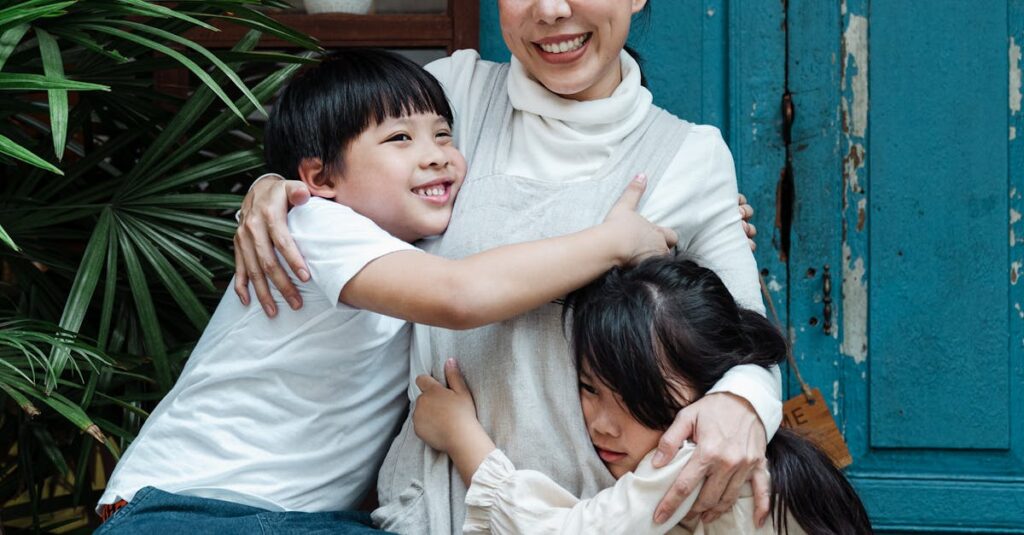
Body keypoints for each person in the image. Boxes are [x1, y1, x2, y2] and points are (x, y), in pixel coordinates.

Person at [235, 1, 781, 532]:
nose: (550, 11)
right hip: (427, 508)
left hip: (590, 514)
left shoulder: (690, 155)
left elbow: (749, 341)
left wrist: (742, 403)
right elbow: (347, 175)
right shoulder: (454, 96)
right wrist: (273, 189)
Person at [94, 49, 676, 534]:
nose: (437, 155)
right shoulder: (315, 225)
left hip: (295, 520)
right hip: (187, 509)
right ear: (320, 179)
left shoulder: (412, 248)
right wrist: (615, 241)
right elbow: (462, 295)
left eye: (444, 135)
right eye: (400, 138)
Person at [413, 257, 872, 534]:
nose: (602, 424)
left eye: (635, 399)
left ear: (711, 388)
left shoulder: (695, 460)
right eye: (590, 388)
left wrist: (461, 436)